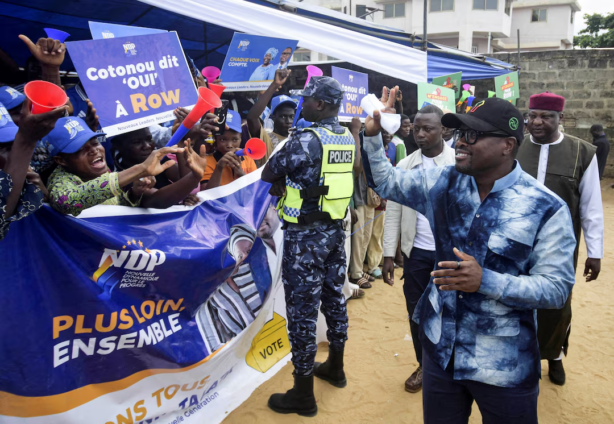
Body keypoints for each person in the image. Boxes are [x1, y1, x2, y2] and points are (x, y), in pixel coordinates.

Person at [362, 90, 576, 423]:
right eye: (460, 132)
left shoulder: (545, 207)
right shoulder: (443, 182)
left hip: (502, 364)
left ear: (507, 145)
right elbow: (387, 183)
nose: (461, 141)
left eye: (473, 135)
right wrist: (374, 135)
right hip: (440, 351)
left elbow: (556, 288)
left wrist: (485, 281)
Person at [261, 76, 353, 416]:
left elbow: (268, 172)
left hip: (306, 240)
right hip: (335, 234)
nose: (303, 105)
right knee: (334, 299)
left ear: (321, 104)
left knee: (302, 313)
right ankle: (336, 368)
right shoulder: (346, 137)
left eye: (308, 100)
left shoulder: (306, 139)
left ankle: (302, 394)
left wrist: (282, 179)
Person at [518, 92, 604, 386]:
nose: (536, 122)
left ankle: (554, 355)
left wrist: (595, 252)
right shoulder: (514, 147)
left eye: (546, 116)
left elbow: (591, 207)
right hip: (517, 242)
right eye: (532, 115)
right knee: (516, 297)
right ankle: (520, 355)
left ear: (560, 118)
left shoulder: (582, 152)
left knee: (557, 302)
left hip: (561, 246)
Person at [381, 104, 456, 394]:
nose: (420, 134)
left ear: (443, 130)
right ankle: (424, 365)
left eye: (428, 129)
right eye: (416, 128)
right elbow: (393, 213)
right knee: (416, 313)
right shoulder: (405, 166)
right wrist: (389, 254)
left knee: (449, 311)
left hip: (449, 255)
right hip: (417, 254)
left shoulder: (458, 164)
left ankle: (449, 365)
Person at [46, 117, 201, 216]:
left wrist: (134, 194)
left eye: (94, 143)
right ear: (61, 160)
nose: (93, 150)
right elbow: (67, 202)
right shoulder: (60, 180)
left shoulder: (99, 171)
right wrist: (141, 169)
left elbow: (117, 204)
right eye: (81, 149)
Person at [0, 99, 66, 240]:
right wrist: (25, 141)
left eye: (15, 144)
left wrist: (41, 197)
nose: (16, 154)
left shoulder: (29, 175)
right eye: (5, 148)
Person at [110, 128, 201, 206]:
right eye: (137, 142)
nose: (147, 146)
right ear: (119, 146)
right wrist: (180, 196)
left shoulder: (158, 161)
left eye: (149, 139)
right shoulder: (122, 178)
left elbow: (186, 180)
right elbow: (157, 199)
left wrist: (180, 141)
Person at [247, 69, 294, 165]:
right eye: (283, 116)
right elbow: (252, 118)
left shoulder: (297, 139)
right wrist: (274, 85)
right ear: (273, 117)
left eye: (291, 116)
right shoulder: (266, 138)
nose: (288, 121)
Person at [201, 110, 257, 189]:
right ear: (215, 139)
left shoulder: (248, 159)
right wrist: (219, 167)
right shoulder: (207, 161)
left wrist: (241, 173)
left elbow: (256, 188)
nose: (229, 145)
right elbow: (205, 193)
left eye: (235, 139)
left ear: (241, 139)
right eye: (223, 139)